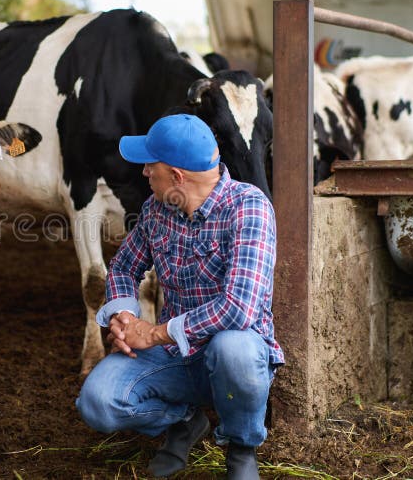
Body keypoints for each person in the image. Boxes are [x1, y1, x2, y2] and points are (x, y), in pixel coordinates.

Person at [75, 113, 284, 479]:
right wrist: (124, 317)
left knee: (232, 347)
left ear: (176, 176)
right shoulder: (158, 211)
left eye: (150, 165)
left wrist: (153, 332)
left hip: (233, 354)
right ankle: (186, 422)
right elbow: (124, 268)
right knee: (96, 402)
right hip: (176, 356)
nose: (144, 173)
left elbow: (238, 308)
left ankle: (241, 448)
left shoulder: (249, 207)